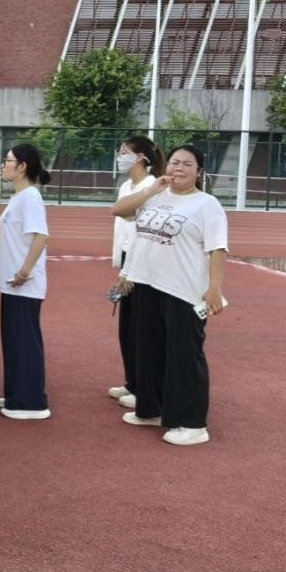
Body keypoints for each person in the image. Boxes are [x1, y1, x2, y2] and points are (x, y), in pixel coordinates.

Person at [114, 144, 227, 447]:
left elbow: (218, 248)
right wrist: (152, 190)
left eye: (187, 164)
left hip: (182, 290)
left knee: (184, 356)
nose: (179, 168)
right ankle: (152, 409)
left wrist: (214, 288)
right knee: (148, 350)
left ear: (199, 172)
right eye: (175, 162)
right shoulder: (155, 195)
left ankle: (192, 423)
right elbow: (119, 210)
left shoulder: (207, 204)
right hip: (146, 283)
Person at [0, 144, 52, 421]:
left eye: (8, 161)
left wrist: (24, 271)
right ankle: (17, 394)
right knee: (14, 341)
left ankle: (31, 402)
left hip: (23, 285)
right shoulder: (19, 196)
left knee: (25, 342)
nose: (4, 165)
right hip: (12, 283)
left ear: (22, 166)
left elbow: (41, 236)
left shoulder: (30, 197)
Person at [109, 135, 163, 406]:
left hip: (142, 265)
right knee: (127, 329)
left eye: (124, 152)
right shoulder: (126, 186)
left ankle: (143, 388)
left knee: (141, 331)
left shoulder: (153, 186)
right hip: (127, 260)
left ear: (141, 157)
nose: (120, 157)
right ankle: (132, 382)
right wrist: (121, 265)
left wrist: (129, 271)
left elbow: (142, 232)